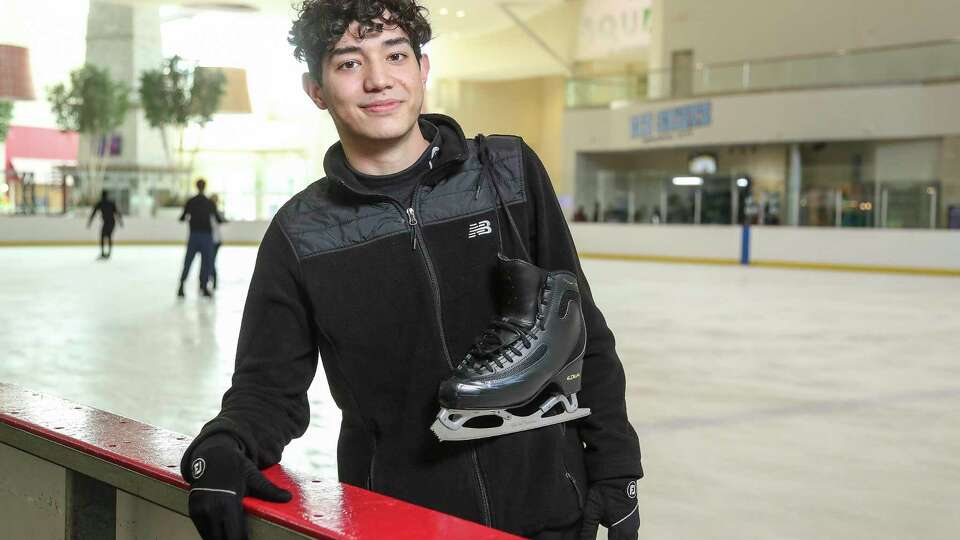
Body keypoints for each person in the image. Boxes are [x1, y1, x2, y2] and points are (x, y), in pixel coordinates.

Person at [180, 2, 642, 540]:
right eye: (349, 63)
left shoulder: (507, 175)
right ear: (316, 90)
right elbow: (267, 390)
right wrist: (223, 443)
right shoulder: (301, 235)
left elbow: (582, 329)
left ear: (422, 69)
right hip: (398, 524)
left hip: (550, 516)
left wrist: (618, 469)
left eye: (395, 54)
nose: (379, 80)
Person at [177, 178, 222, 298]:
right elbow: (218, 219)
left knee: (188, 262)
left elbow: (182, 217)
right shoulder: (209, 202)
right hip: (206, 236)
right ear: (205, 187)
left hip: (194, 235)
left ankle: (181, 286)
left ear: (196, 186)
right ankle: (203, 287)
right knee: (206, 263)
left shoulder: (191, 201)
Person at [87, 189, 123, 259]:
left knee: (104, 236)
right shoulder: (110, 203)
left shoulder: (101, 203)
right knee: (107, 236)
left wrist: (90, 222)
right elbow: (117, 213)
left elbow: (93, 213)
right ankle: (106, 253)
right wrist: (120, 222)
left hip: (109, 222)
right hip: (111, 222)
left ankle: (105, 253)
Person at [208, 193, 227, 290]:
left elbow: (222, 220)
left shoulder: (215, 213)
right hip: (211, 240)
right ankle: (211, 280)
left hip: (215, 241)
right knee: (210, 261)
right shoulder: (210, 212)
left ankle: (213, 280)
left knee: (211, 261)